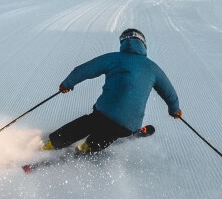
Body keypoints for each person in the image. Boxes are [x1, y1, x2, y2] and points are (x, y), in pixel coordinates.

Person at [42, 28, 182, 154]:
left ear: (123, 43)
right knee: (109, 133)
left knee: (87, 124)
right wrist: (174, 110)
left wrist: (67, 84)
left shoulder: (114, 58)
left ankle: (51, 144)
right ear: (143, 45)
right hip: (128, 126)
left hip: (103, 114)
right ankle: (87, 149)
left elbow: (84, 70)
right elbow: (170, 93)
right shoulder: (153, 68)